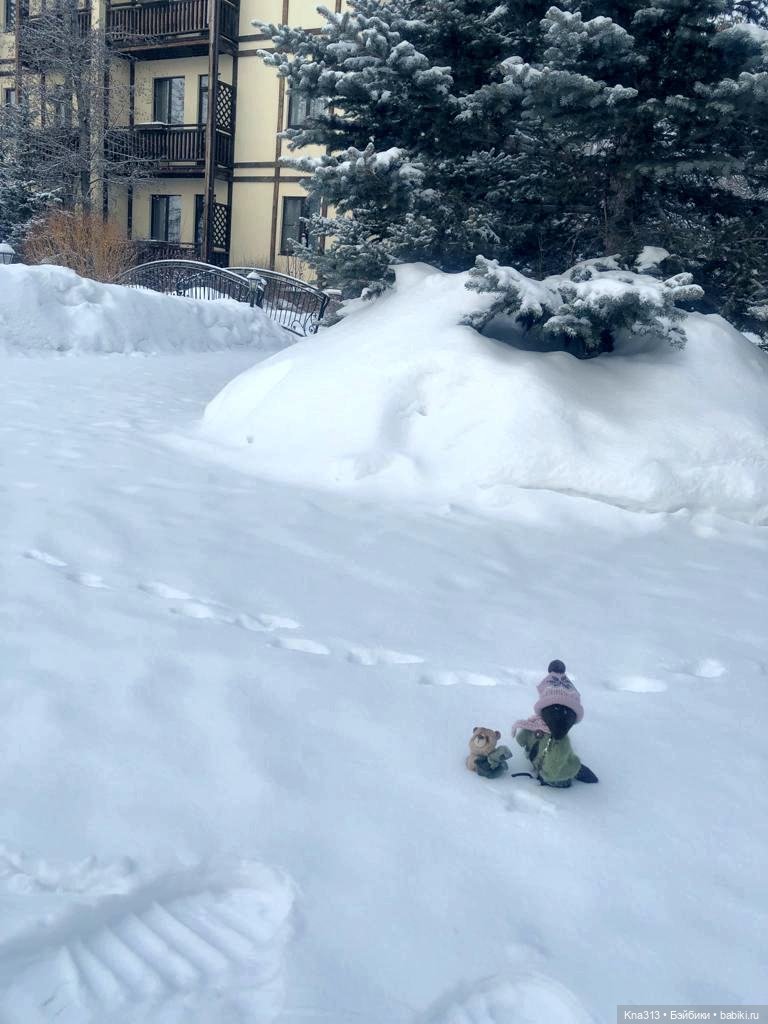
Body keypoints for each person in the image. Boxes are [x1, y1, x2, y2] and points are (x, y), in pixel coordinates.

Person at [512, 660, 598, 787]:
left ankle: (566, 775)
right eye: (554, 710)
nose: (560, 717)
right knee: (561, 765)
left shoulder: (555, 739)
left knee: (560, 772)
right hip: (543, 766)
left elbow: (552, 767)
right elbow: (523, 737)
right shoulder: (536, 725)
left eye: (566, 712)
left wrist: (546, 773)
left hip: (549, 771)